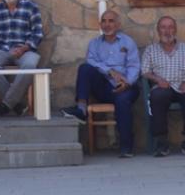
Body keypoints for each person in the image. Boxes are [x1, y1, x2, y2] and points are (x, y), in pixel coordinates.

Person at [60, 10, 141, 158]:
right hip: (105, 86)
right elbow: (92, 61)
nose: (107, 24)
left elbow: (134, 66)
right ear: (100, 24)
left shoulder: (128, 42)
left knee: (123, 100)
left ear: (118, 24)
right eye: (104, 21)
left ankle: (126, 147)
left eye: (111, 21)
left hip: (126, 86)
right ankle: (81, 110)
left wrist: (127, 83)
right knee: (85, 68)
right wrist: (110, 71)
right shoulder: (95, 44)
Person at [140, 15, 185, 156]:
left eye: (170, 27)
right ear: (158, 30)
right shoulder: (150, 50)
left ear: (175, 30)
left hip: (184, 85)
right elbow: (145, 72)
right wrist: (157, 79)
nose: (167, 31)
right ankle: (162, 143)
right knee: (157, 96)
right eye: (163, 27)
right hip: (163, 85)